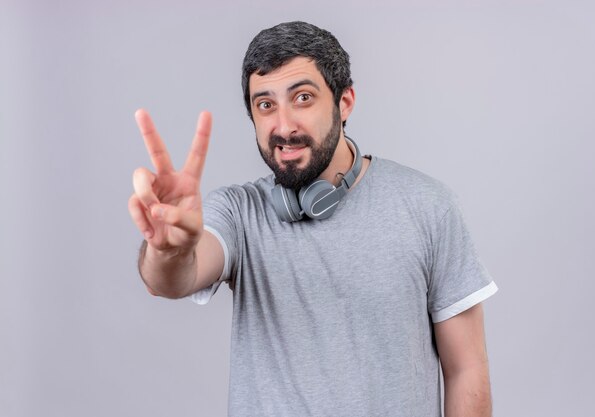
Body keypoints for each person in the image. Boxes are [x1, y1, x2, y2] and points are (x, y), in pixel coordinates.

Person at [128, 21, 497, 417]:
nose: (283, 126)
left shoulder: (428, 206)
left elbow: (466, 370)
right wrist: (167, 249)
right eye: (265, 104)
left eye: (302, 97)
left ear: (345, 102)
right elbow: (172, 279)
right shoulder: (238, 212)